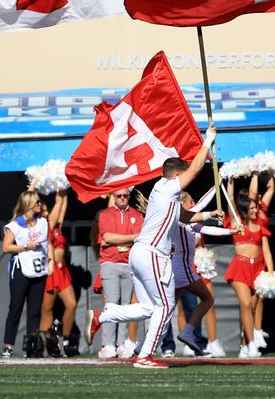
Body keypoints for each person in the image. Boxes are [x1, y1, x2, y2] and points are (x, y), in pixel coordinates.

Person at [84, 124, 221, 369]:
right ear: (176, 176)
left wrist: (210, 214)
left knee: (150, 307)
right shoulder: (169, 186)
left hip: (140, 253)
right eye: (184, 174)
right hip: (153, 254)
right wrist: (207, 141)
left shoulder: (163, 191)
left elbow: (186, 217)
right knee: (166, 306)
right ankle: (145, 356)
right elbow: (197, 168)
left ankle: (102, 316)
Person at [172, 188, 232, 357]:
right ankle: (187, 332)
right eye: (191, 201)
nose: (194, 204)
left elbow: (206, 228)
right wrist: (215, 186)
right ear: (182, 205)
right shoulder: (182, 220)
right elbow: (205, 224)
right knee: (207, 299)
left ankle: (144, 346)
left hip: (178, 268)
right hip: (183, 268)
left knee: (166, 309)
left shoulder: (184, 219)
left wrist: (229, 231)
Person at [2, 190, 52, 358]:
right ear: (30, 204)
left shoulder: (43, 222)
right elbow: (6, 247)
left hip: (39, 269)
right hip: (21, 269)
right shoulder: (15, 225)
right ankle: (8, 346)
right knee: (15, 307)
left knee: (35, 310)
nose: (41, 204)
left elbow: (48, 243)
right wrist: (25, 247)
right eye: (37, 202)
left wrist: (50, 262)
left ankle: (32, 343)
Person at [94, 188, 143, 358]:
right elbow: (107, 237)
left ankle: (122, 343)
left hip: (129, 264)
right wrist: (130, 238)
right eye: (118, 196)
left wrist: (119, 239)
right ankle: (108, 343)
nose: (122, 198)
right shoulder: (105, 214)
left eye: (125, 195)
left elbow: (140, 237)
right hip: (110, 263)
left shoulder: (137, 215)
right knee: (111, 303)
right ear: (113, 197)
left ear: (129, 196)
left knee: (126, 306)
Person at [223, 192, 273, 358]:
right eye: (251, 208)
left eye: (256, 207)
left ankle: (244, 345)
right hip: (240, 267)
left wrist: (271, 275)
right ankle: (252, 345)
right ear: (244, 210)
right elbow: (230, 200)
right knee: (245, 304)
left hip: (257, 269)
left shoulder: (260, 228)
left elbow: (266, 252)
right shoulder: (237, 224)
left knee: (251, 307)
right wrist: (229, 181)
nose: (255, 210)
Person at [39, 192, 76, 357]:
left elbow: (63, 205)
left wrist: (63, 189)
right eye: (43, 211)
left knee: (72, 304)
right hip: (50, 271)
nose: (47, 213)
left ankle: (66, 339)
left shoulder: (56, 227)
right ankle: (50, 343)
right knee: (47, 309)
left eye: (47, 210)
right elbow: (58, 206)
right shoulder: (44, 227)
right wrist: (58, 199)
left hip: (62, 271)